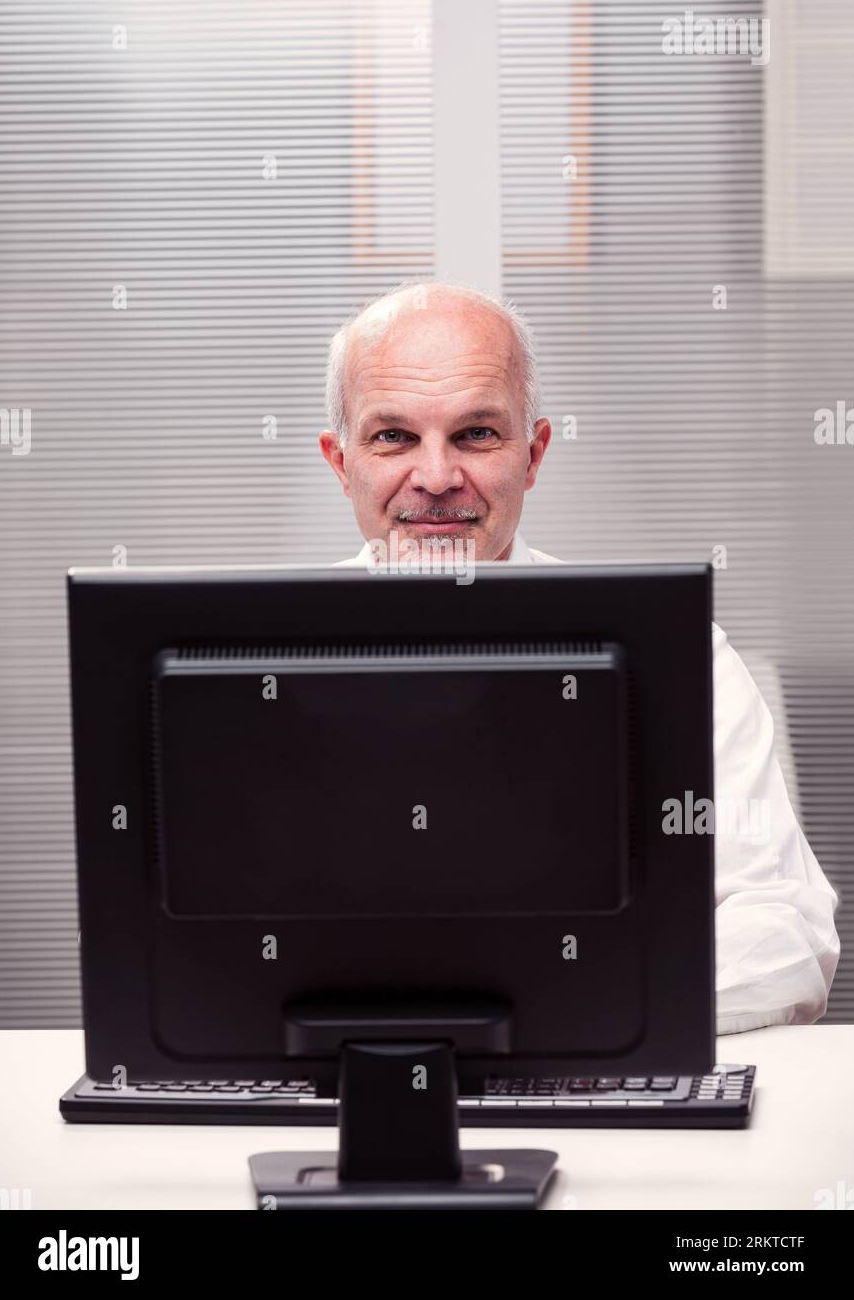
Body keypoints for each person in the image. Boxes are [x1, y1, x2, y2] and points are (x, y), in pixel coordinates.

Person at [319, 280, 840, 1035]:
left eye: (476, 434)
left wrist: (537, 1018)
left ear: (531, 456)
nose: (435, 478)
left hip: (593, 1086)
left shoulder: (678, 656)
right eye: (394, 437)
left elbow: (788, 936)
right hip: (328, 1099)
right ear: (342, 463)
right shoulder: (241, 666)